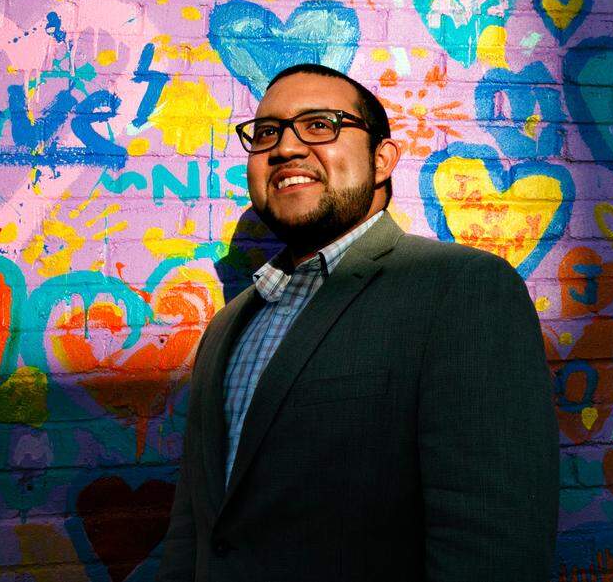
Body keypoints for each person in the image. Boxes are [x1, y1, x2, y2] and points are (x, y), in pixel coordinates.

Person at [156, 63, 559, 581]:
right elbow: (193, 532)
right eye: (267, 133)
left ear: (382, 158)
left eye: (320, 125)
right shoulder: (230, 325)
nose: (285, 148)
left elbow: (492, 544)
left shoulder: (459, 290)